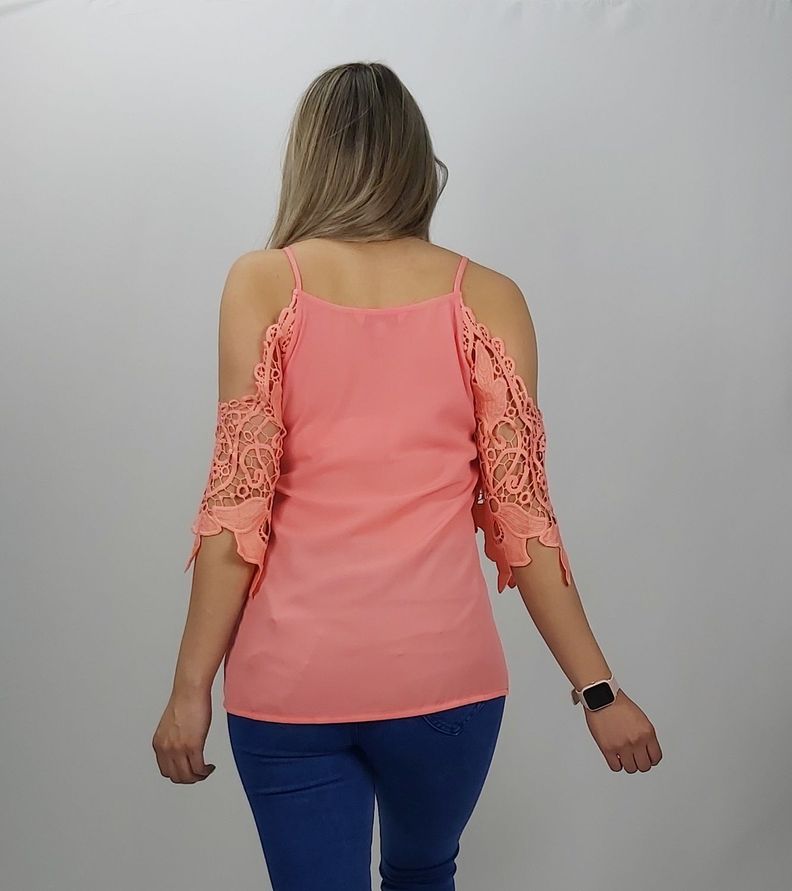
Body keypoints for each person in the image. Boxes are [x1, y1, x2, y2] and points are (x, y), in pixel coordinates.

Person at [152, 61, 662, 891]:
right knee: (424, 875)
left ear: (310, 158)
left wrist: (188, 690)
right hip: (446, 684)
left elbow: (235, 508)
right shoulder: (488, 297)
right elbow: (525, 524)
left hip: (291, 684)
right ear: (415, 163)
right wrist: (599, 691)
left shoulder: (263, 282)